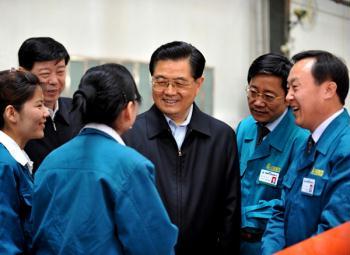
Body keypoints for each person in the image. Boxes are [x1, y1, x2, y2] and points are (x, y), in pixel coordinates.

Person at [31, 63, 178, 255]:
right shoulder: (131, 166)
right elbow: (153, 245)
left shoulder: (51, 162)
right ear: (129, 109)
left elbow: (38, 233)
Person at [123, 41, 240, 254]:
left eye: (179, 83)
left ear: (198, 83)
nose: (169, 91)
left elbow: (230, 211)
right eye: (160, 81)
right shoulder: (129, 134)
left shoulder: (221, 137)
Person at [261, 50, 350, 254]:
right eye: (287, 88)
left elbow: (334, 234)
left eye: (295, 87)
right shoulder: (308, 143)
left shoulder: (345, 149)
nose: (288, 96)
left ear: (328, 90)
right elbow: (280, 211)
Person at [236, 53, 308, 255]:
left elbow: (291, 203)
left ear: (287, 97)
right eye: (253, 92)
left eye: (268, 96)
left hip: (270, 244)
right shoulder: (244, 127)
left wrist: (242, 214)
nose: (258, 102)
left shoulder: (300, 138)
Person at [0, 69, 49, 254]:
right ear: (11, 113)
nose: (46, 113)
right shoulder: (4, 165)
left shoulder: (14, 159)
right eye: (39, 105)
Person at [18, 37, 83, 172]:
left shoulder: (79, 110)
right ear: (23, 73)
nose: (54, 81)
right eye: (45, 74)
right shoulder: (14, 117)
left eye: (60, 72)